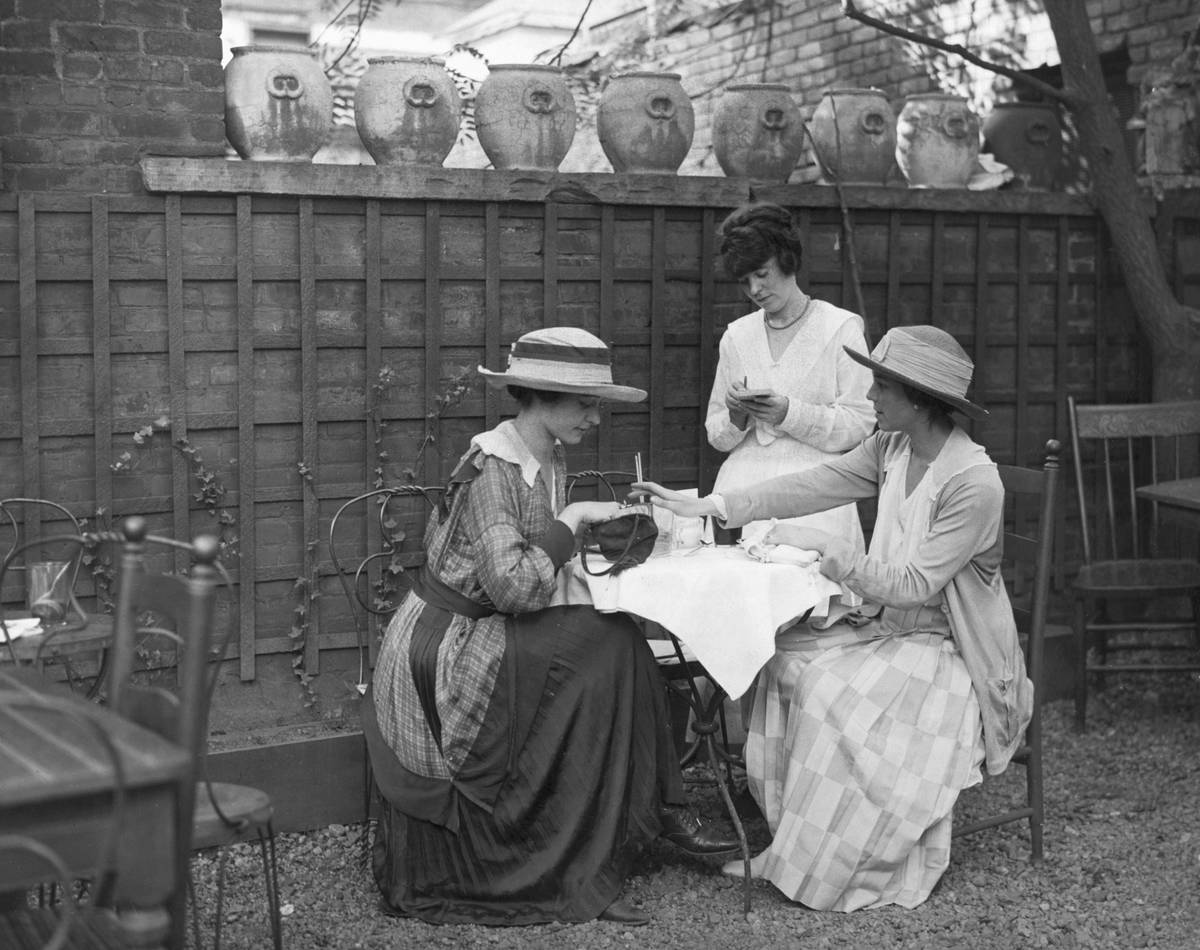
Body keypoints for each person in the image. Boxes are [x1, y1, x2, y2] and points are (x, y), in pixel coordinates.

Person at [633, 325, 1034, 912]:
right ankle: (796, 834)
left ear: (920, 400)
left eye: (882, 387)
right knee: (780, 657)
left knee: (822, 687)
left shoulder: (973, 482)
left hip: (953, 650)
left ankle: (840, 856)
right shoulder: (893, 448)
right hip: (894, 627)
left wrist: (830, 550)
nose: (870, 397)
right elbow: (815, 484)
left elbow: (914, 586)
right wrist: (711, 505)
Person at [364, 326, 737, 929]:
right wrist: (574, 517)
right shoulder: (494, 468)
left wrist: (589, 542)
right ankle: (630, 828)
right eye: (586, 403)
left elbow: (532, 565)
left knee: (615, 639)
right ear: (539, 397)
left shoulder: (546, 455)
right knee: (610, 649)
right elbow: (513, 586)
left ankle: (644, 812)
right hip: (449, 648)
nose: (596, 417)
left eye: (597, 404)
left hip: (489, 625)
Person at [705, 202, 874, 546]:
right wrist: (736, 417)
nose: (755, 290)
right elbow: (717, 435)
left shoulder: (840, 328)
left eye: (761, 273)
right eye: (744, 281)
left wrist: (789, 413)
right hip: (741, 492)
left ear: (786, 260)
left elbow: (861, 424)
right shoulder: (737, 336)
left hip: (816, 495)